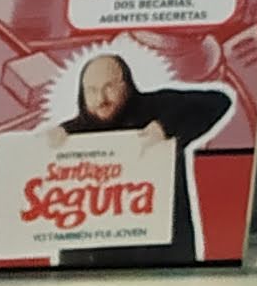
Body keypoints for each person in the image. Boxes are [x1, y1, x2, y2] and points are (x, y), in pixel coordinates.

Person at [48, 52, 233, 269]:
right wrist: (45, 147)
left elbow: (218, 101)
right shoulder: (68, 135)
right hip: (94, 265)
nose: (101, 99)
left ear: (126, 85)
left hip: (162, 257)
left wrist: (165, 126)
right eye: (92, 90)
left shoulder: (157, 107)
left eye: (109, 87)